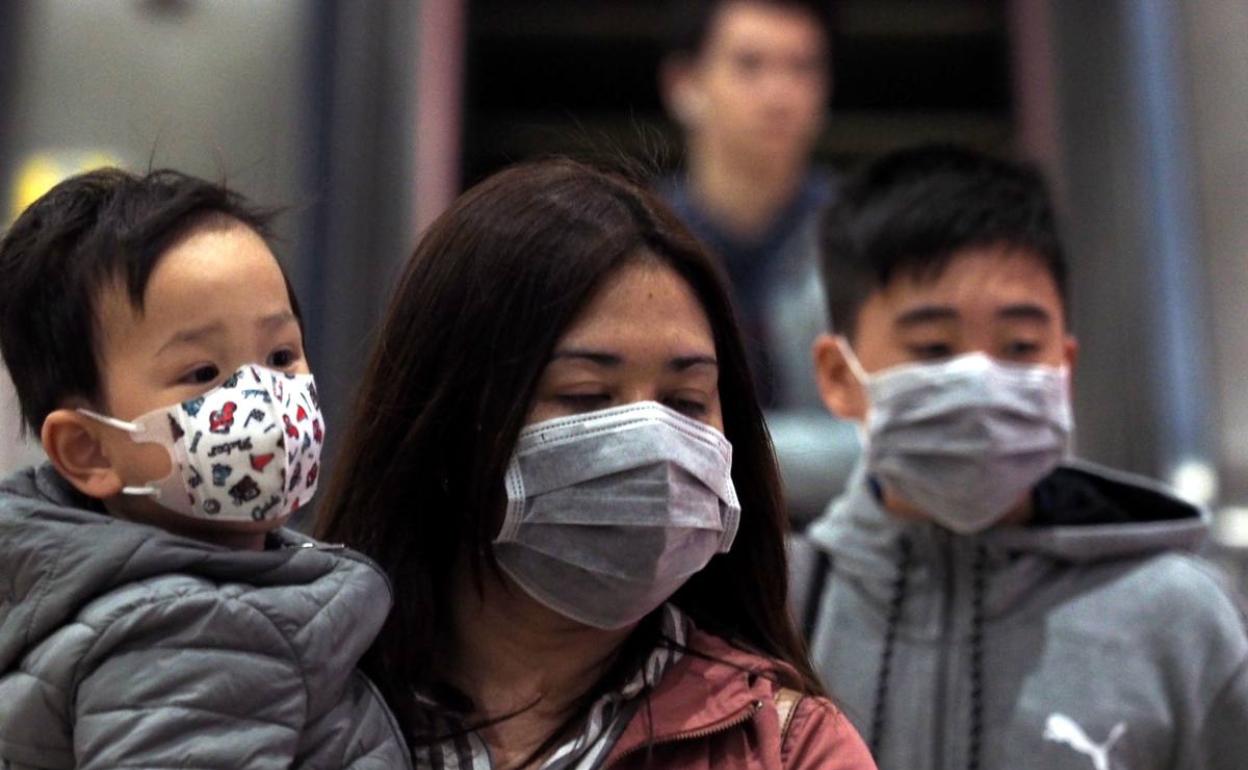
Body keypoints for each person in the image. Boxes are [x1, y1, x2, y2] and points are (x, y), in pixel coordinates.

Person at [315, 159, 876, 770]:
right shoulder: (305, 715)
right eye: (585, 395)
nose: (652, 437)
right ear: (449, 417)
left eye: (687, 402)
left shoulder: (789, 749)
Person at [800, 144, 1248, 769]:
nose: (981, 381)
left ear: (1064, 366)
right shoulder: (780, 609)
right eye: (933, 348)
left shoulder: (1181, 624)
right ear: (838, 375)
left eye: (1019, 345)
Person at [0, 169, 410, 769]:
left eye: (280, 356)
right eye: (202, 374)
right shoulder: (198, 633)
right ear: (89, 451)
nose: (265, 398)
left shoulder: (86, 591)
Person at [659, 0, 834, 410]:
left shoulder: (862, 238)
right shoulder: (637, 235)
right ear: (683, 85)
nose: (779, 96)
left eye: (801, 68)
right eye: (749, 65)